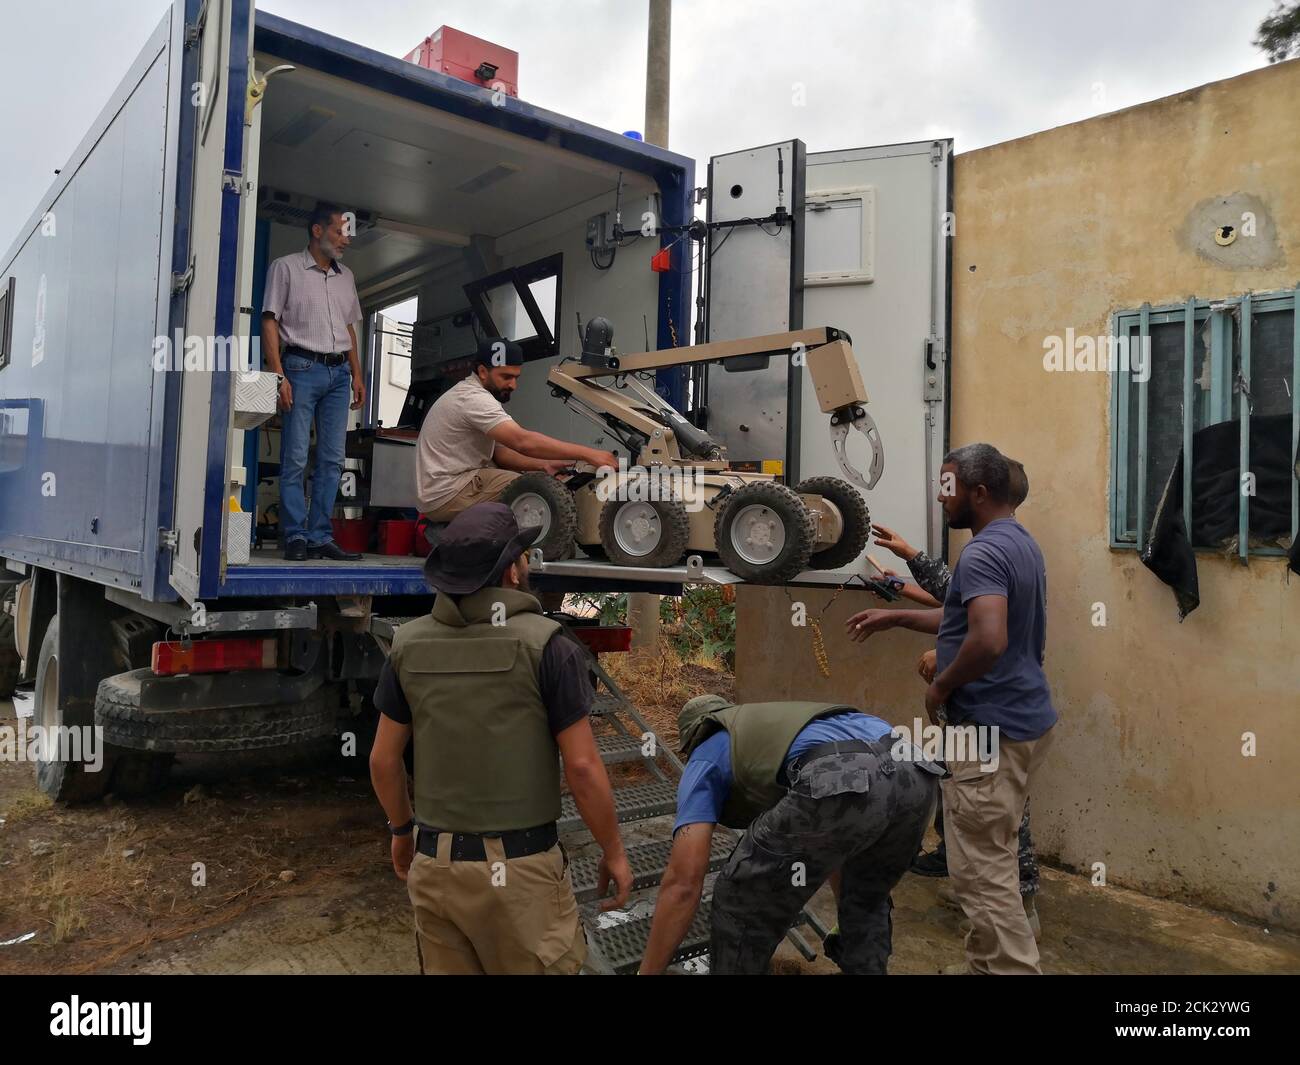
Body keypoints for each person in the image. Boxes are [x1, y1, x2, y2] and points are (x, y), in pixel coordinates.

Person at [368, 502, 633, 974]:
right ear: (512, 570)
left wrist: (402, 832)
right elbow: (583, 767)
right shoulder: (550, 644)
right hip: (522, 875)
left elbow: (383, 761)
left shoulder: (406, 645)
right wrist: (613, 850)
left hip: (436, 868)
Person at [846, 443, 1056, 974]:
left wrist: (939, 687)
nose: (942, 501)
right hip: (1020, 723)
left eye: (948, 490)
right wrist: (895, 618)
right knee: (992, 858)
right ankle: (982, 966)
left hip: (988, 728)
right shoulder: (1018, 543)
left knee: (980, 876)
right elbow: (961, 619)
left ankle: (1010, 969)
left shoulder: (983, 553)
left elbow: (987, 639)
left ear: (979, 493)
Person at [638, 696, 943, 975]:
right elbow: (838, 829)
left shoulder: (707, 753)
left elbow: (684, 882)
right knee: (866, 902)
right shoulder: (784, 728)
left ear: (693, 736)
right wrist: (845, 908)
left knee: (740, 899)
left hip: (841, 771)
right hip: (918, 774)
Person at [262, 203, 366, 562]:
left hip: (339, 374)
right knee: (294, 456)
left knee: (333, 459)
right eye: (340, 231)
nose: (345, 240)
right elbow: (270, 322)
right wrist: (279, 375)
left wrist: (358, 374)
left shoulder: (346, 277)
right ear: (317, 231)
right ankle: (295, 535)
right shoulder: (285, 268)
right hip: (301, 368)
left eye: (348, 234)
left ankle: (320, 535)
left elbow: (349, 326)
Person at [415, 337, 617, 522]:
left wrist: (543, 465)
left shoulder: (469, 395)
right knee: (536, 490)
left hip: (443, 491)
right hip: (449, 492)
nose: (513, 385)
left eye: (516, 377)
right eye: (506, 376)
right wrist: (590, 454)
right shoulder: (473, 399)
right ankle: (534, 552)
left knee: (532, 481)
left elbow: (500, 453)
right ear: (483, 372)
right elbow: (522, 442)